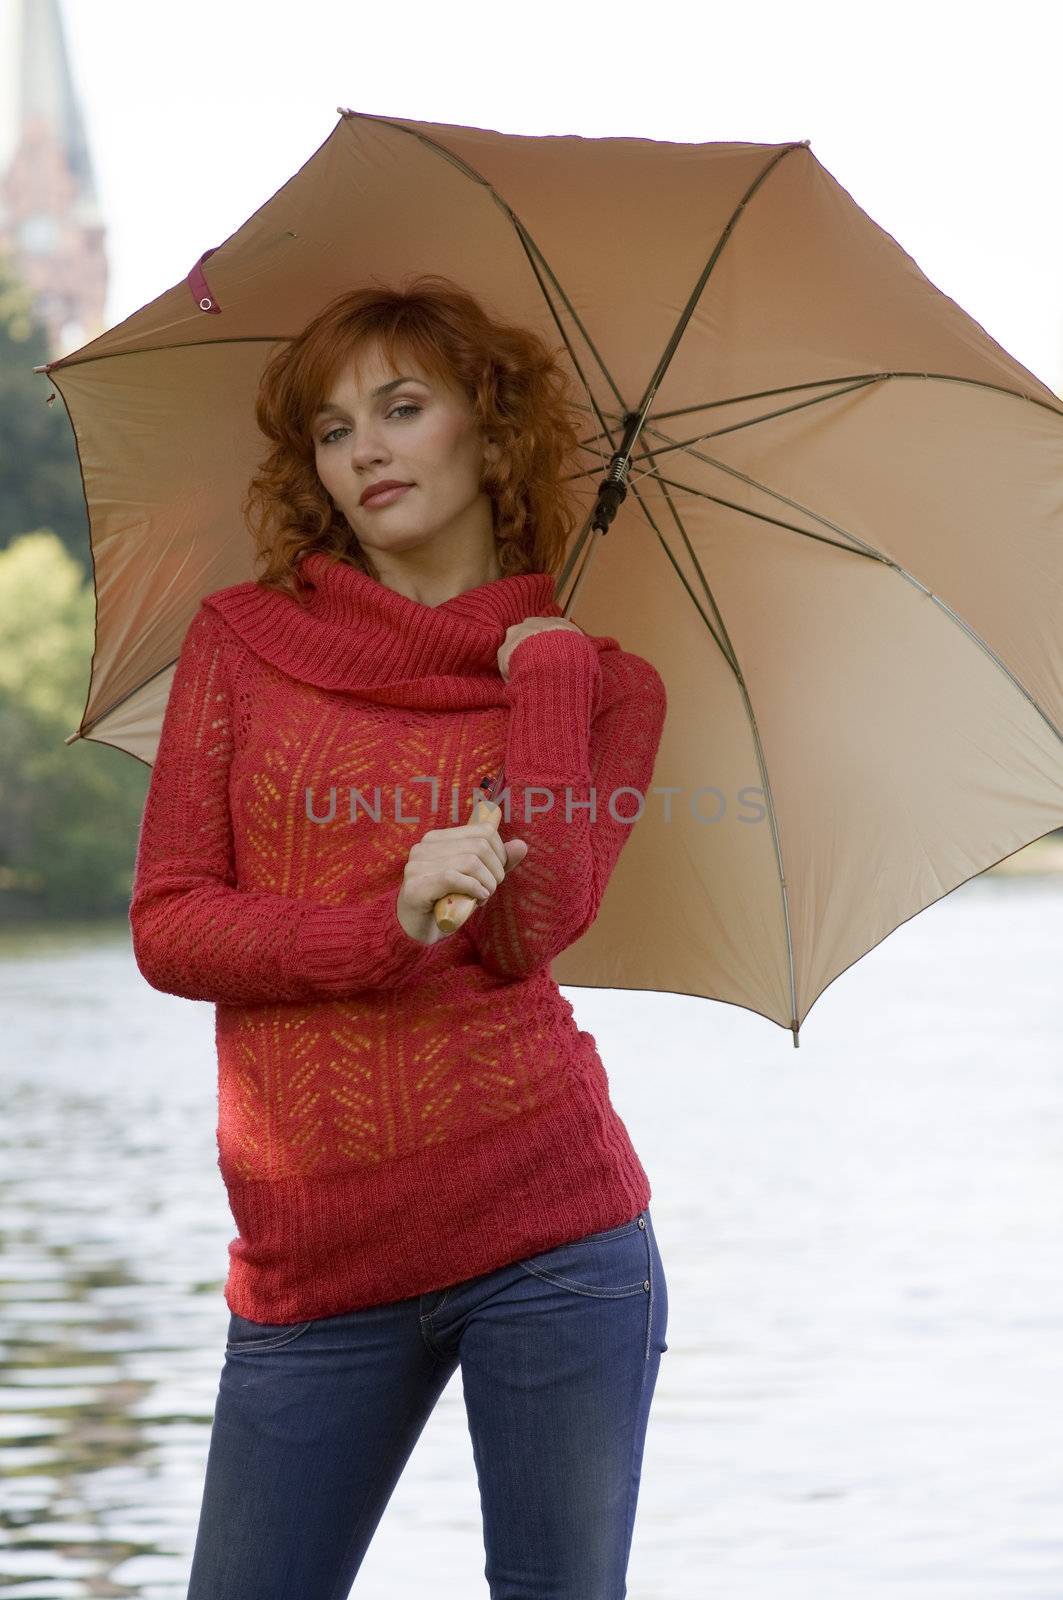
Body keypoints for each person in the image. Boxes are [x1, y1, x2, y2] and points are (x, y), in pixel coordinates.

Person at [129, 273, 669, 1599]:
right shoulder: (244, 647)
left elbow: (534, 928)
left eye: (402, 406)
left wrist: (543, 679)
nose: (363, 445)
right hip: (310, 1267)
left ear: (491, 438)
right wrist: (383, 923)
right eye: (330, 426)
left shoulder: (604, 687)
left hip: (556, 1239)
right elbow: (169, 925)